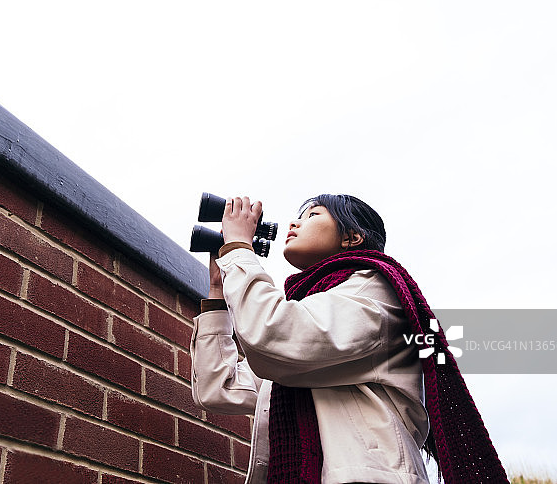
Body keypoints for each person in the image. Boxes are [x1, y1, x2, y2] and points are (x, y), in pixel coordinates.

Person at [190, 194, 507, 484]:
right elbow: (220, 388)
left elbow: (272, 333)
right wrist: (218, 291)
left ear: (352, 237)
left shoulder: (375, 289)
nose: (294, 223)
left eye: (312, 215)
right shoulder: (308, 332)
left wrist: (239, 248)